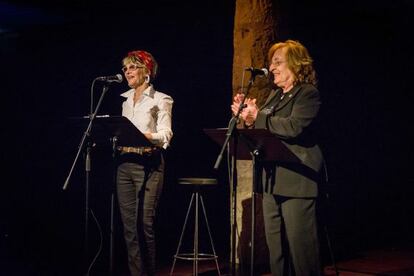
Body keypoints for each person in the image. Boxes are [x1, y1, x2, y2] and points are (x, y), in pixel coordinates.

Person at [231, 39, 323, 276]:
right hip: (271, 180)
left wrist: (257, 115)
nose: (271, 68)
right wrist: (247, 118)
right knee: (277, 251)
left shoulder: (307, 94)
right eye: (271, 63)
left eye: (277, 62)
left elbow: (293, 127)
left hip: (297, 181)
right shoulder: (275, 95)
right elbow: (266, 130)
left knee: (302, 253)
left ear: (295, 64)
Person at [116, 50, 173, 276]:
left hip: (148, 164)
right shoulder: (125, 101)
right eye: (126, 68)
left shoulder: (161, 99)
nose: (127, 71)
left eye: (132, 67)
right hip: (124, 164)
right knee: (129, 228)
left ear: (146, 71)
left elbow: (166, 134)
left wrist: (146, 136)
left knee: (144, 225)